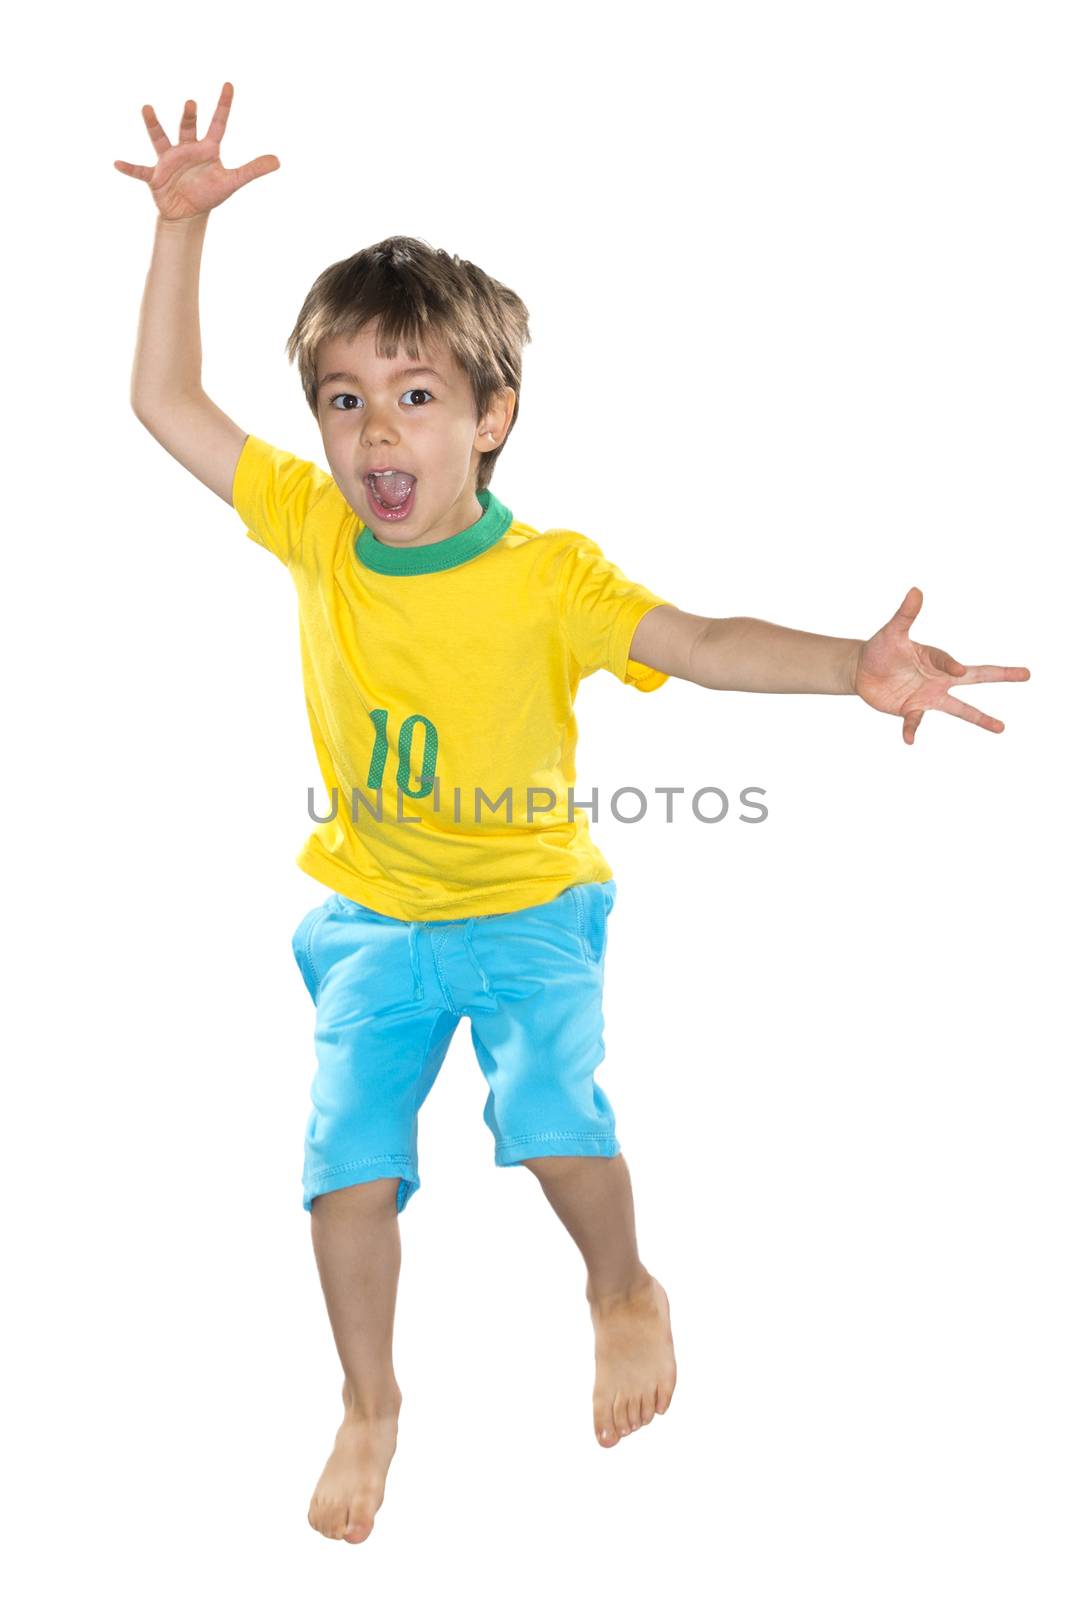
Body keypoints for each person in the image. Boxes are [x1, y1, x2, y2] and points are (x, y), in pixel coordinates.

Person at [116, 81, 1031, 1546]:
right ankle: (371, 1402)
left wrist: (853, 668)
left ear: (492, 419)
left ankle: (622, 1286)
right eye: (344, 400)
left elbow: (706, 642)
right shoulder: (312, 528)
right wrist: (179, 234)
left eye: (415, 396)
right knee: (344, 1178)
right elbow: (165, 404)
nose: (373, 434)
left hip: (533, 901)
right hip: (375, 914)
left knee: (549, 1121)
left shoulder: (546, 578)